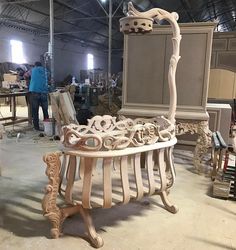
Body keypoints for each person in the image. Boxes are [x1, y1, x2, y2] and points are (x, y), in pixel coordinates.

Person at [29, 61, 49, 131]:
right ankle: (47, 127)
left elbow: (25, 75)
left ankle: (36, 127)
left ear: (35, 65)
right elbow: (48, 78)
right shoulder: (46, 70)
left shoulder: (32, 70)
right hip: (43, 92)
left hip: (34, 92)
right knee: (45, 110)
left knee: (35, 110)